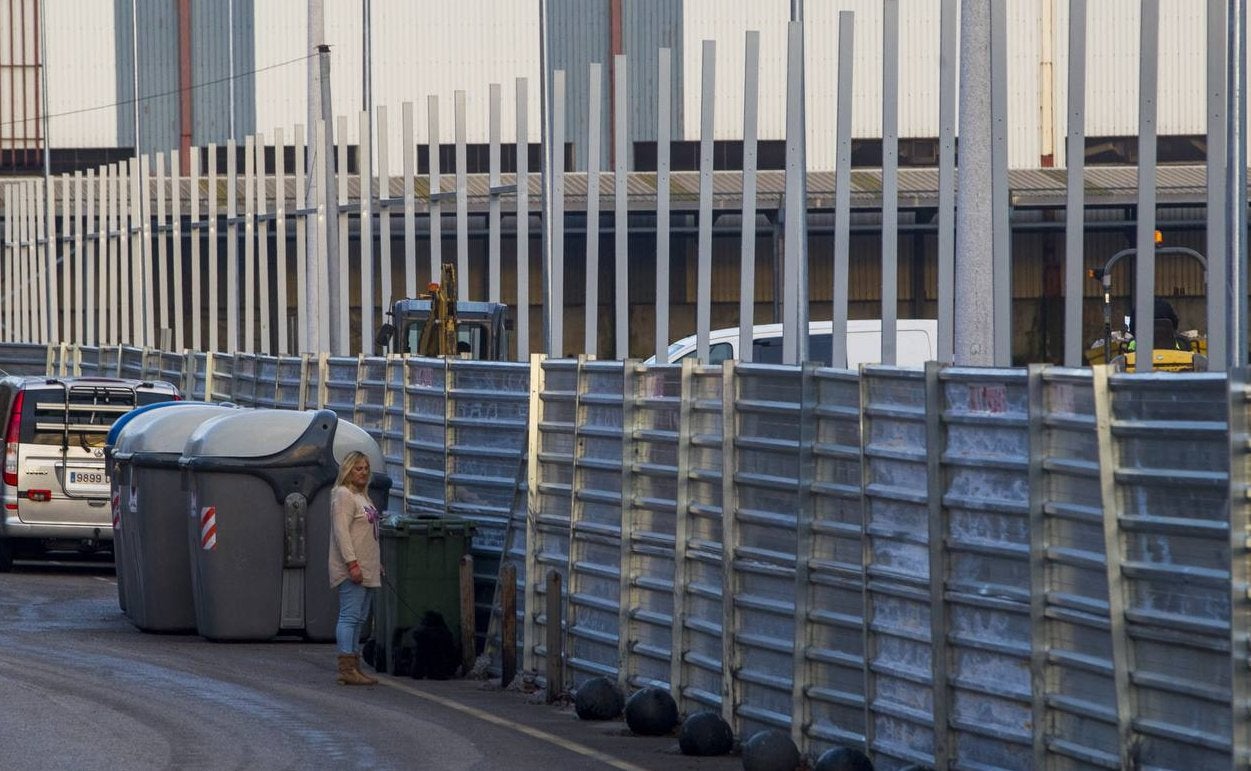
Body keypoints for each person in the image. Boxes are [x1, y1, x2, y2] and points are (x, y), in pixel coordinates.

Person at [329, 450, 381, 686]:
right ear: (347, 470)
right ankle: (346, 667)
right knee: (349, 616)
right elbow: (342, 533)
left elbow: (367, 534)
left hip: (368, 568)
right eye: (358, 468)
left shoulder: (364, 497)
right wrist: (352, 563)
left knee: (360, 619)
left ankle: (355, 665)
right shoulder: (344, 495)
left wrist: (376, 564)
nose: (363, 472)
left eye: (366, 468)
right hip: (353, 569)